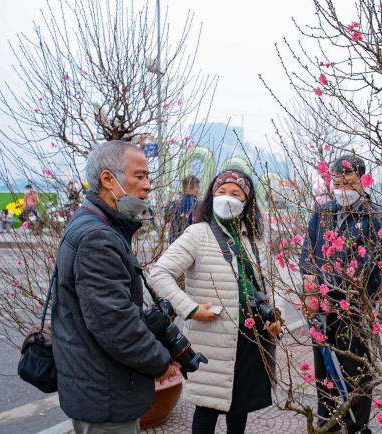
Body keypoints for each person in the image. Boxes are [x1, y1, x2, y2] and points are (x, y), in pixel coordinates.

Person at [52, 141, 176, 434]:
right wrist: (160, 362)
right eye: (140, 176)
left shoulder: (93, 224)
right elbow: (115, 325)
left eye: (148, 177)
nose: (147, 186)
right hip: (104, 394)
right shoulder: (98, 237)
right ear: (108, 180)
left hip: (97, 384)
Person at [149, 169, 282, 434]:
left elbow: (269, 285)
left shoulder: (254, 239)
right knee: (207, 408)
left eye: (235, 193)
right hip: (213, 338)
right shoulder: (197, 234)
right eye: (221, 192)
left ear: (247, 201)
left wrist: (275, 319)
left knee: (240, 407)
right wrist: (190, 309)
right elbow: (159, 274)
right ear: (211, 196)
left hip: (251, 338)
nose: (227, 198)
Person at [299, 155, 382, 434]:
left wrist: (329, 285)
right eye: (336, 180)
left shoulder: (375, 217)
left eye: (348, 179)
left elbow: (368, 265)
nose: (341, 185)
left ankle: (357, 423)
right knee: (323, 361)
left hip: (352, 304)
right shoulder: (322, 212)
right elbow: (307, 249)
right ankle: (327, 415)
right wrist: (309, 280)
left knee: (354, 363)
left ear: (363, 180)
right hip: (320, 302)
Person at [166, 175, 200, 243]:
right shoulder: (198, 205)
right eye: (198, 187)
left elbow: (167, 219)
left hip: (174, 239)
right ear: (193, 188)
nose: (199, 190)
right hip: (190, 241)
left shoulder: (174, 203)